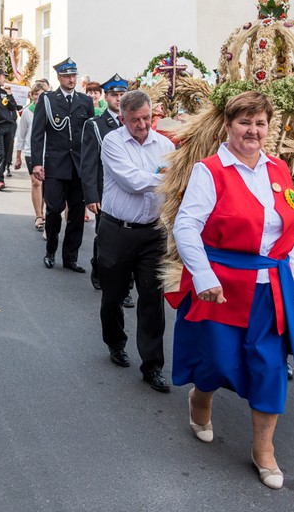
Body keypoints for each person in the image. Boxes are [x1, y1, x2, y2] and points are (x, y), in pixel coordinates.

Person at [167, 91, 294, 490]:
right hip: (223, 288)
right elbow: (186, 227)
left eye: (260, 123)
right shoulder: (210, 171)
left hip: (270, 290)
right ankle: (201, 399)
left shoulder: (279, 170)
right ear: (228, 126)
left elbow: (288, 235)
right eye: (245, 122)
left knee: (270, 369)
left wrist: (292, 284)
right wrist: (206, 277)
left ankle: (263, 449)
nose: (253, 130)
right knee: (217, 363)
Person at [96, 90, 174, 392]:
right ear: (122, 118)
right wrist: (167, 179)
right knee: (113, 295)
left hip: (153, 233)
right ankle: (115, 342)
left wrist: (169, 181)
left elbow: (171, 184)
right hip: (117, 231)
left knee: (152, 300)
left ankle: (153, 366)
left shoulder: (165, 145)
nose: (142, 125)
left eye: (146, 118)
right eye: (135, 120)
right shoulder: (113, 142)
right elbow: (132, 181)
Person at [31, 57, 93, 271]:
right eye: (67, 76)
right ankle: (50, 250)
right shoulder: (48, 100)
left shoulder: (85, 102)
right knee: (54, 209)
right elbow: (37, 134)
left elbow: (90, 135)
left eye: (73, 75)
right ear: (59, 77)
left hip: (78, 166)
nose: (71, 79)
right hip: (56, 164)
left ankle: (70, 257)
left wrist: (91, 164)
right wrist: (37, 163)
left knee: (76, 214)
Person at [80, 73, 134, 305]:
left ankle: (125, 288)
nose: (118, 99)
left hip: (131, 192)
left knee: (131, 241)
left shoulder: (136, 123)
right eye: (114, 95)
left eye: (122, 95)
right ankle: (99, 267)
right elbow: (88, 163)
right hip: (105, 192)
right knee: (106, 239)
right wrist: (91, 195)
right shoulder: (95, 125)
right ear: (106, 96)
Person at [15, 81, 49, 230]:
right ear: (32, 96)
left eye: (42, 93)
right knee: (37, 183)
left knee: (48, 185)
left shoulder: (51, 110)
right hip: (31, 152)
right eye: (36, 94)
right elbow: (21, 135)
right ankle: (38, 216)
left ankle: (48, 213)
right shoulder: (28, 112)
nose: (39, 96)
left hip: (49, 152)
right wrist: (18, 156)